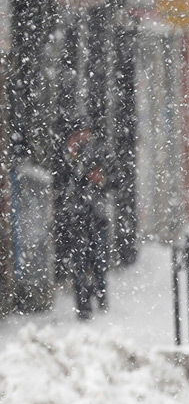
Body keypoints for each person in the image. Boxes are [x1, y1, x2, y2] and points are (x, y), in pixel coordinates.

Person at [60, 118, 110, 320]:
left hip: (95, 215)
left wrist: (101, 179)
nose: (83, 137)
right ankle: (83, 305)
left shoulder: (98, 151)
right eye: (80, 133)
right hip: (77, 216)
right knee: (80, 262)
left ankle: (100, 295)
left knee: (98, 259)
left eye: (86, 132)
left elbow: (110, 178)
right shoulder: (67, 154)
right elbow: (65, 181)